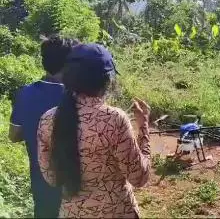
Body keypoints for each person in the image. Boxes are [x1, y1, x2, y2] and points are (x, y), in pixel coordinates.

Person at [37, 43, 151, 218]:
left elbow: (52, 178)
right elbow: (139, 178)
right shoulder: (114, 119)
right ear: (107, 80)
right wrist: (143, 127)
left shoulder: (48, 120)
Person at [9, 35, 78, 218]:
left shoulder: (25, 94)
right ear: (69, 64)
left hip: (41, 185)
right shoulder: (77, 97)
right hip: (75, 188)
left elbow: (14, 135)